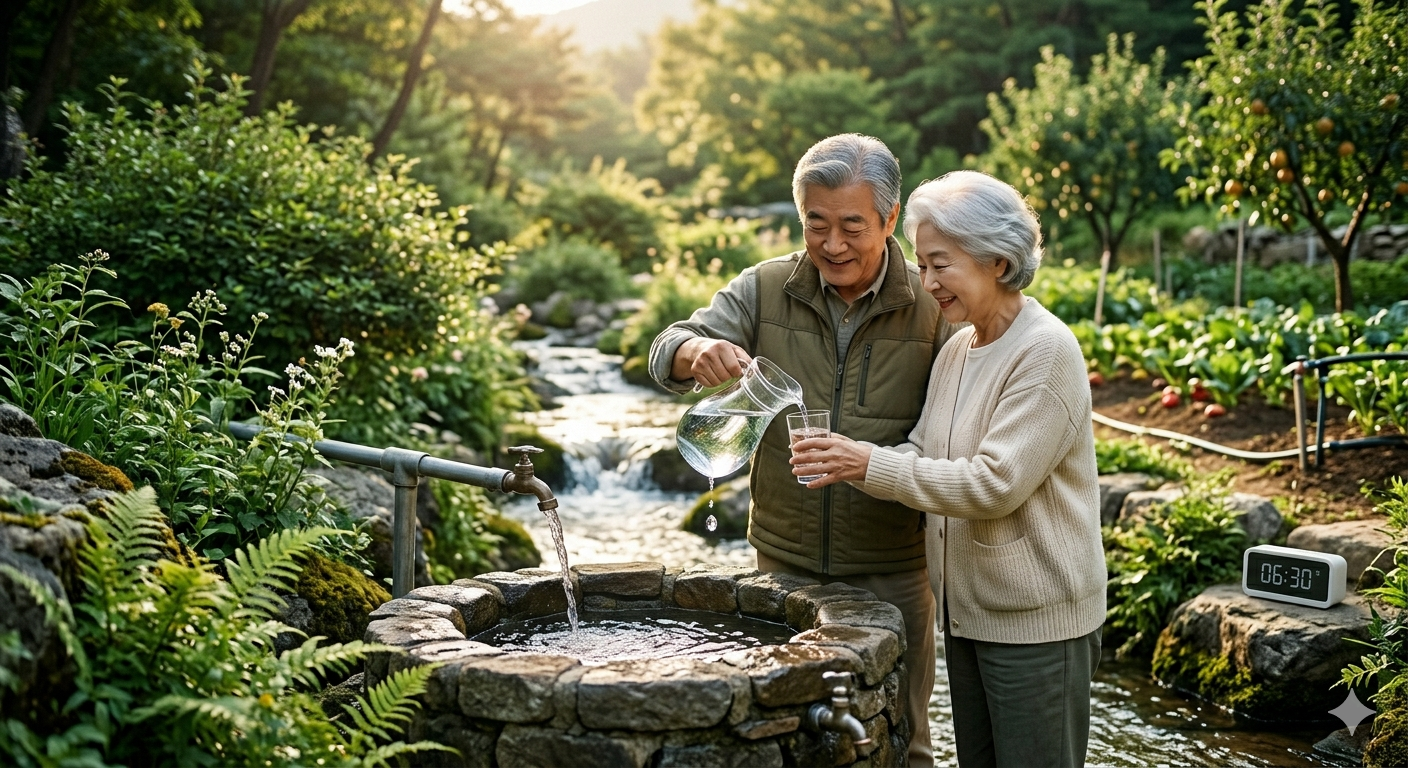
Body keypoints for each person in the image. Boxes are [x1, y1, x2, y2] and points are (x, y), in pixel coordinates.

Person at [650, 134, 955, 766]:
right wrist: (693, 351)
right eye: (818, 224)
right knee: (785, 734)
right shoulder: (764, 289)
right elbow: (669, 345)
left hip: (895, 567)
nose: (833, 245)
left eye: (853, 226)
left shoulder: (932, 303)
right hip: (781, 564)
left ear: (890, 219)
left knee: (903, 739)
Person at [789, 170, 1106, 768]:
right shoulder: (961, 346)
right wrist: (848, 457)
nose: (926, 283)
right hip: (971, 616)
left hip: (1037, 627)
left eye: (941, 265)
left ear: (997, 263)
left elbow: (994, 484)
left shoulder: (1045, 351)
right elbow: (925, 452)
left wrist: (869, 463)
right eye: (923, 265)